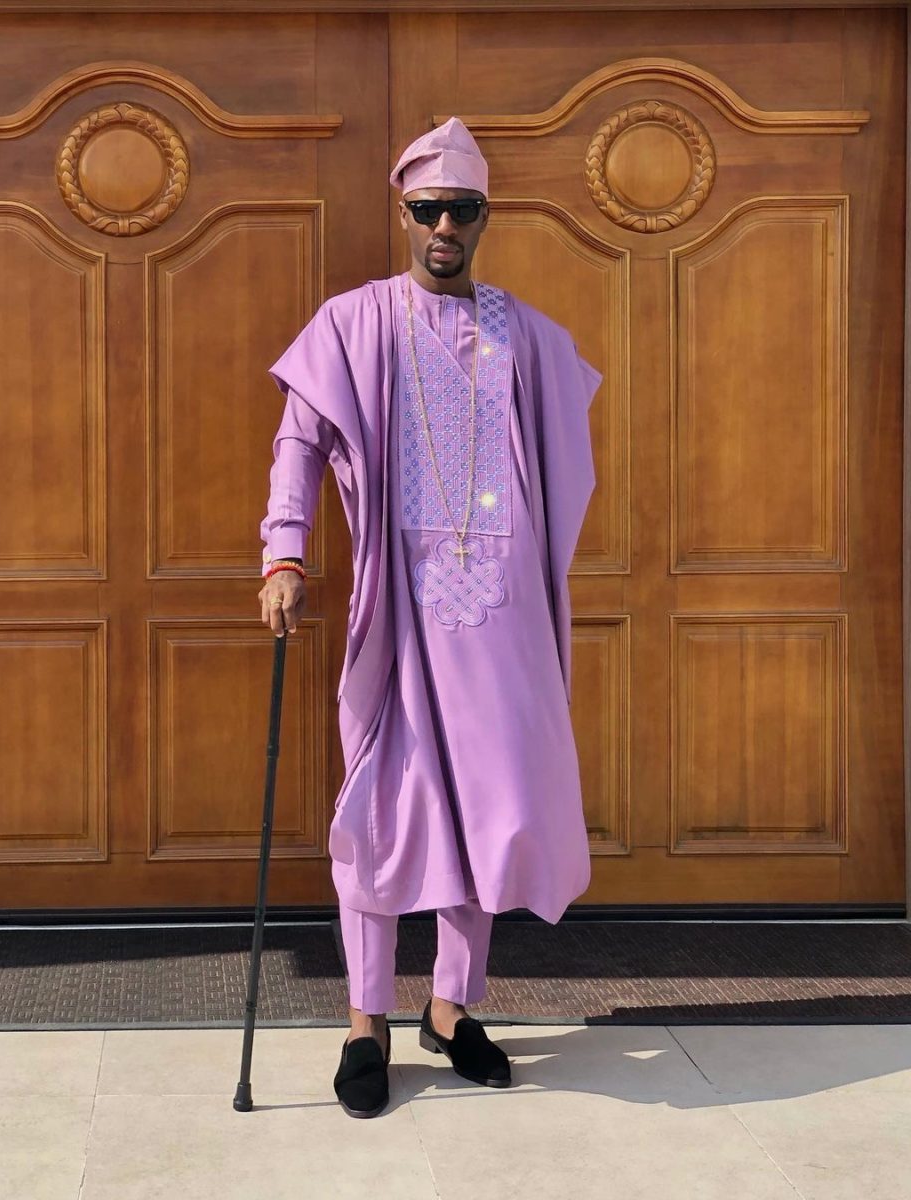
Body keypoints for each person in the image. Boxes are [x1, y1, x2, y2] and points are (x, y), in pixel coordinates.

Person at [257, 116, 602, 1118]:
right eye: (428, 208)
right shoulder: (354, 322)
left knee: (489, 812)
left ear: (486, 216)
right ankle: (365, 1022)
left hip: (502, 619)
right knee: (383, 810)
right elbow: (300, 441)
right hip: (401, 614)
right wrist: (284, 551)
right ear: (403, 213)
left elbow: (561, 448)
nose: (445, 224)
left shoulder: (523, 335)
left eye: (463, 208)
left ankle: (451, 1009)